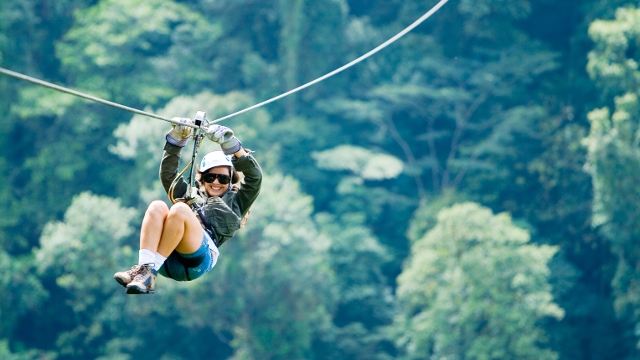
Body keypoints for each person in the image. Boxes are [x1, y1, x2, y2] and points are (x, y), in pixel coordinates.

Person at [113, 117, 263, 294]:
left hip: (197, 260)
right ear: (203, 179)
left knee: (179, 209)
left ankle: (148, 273)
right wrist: (177, 140)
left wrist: (233, 146)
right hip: (165, 257)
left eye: (222, 178)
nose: (216, 182)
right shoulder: (191, 195)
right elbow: (168, 175)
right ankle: (144, 268)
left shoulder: (238, 201)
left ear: (230, 181)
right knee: (157, 206)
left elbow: (255, 177)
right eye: (210, 177)